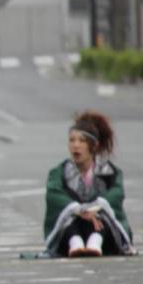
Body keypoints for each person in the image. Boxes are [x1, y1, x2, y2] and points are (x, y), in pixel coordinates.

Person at [43, 110, 135, 257]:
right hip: (72, 226)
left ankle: (95, 240)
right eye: (72, 140)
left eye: (82, 141)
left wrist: (96, 208)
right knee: (68, 217)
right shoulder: (59, 172)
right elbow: (53, 194)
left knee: (103, 216)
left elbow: (116, 193)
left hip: (102, 228)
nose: (75, 145)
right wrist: (79, 210)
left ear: (94, 146)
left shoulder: (110, 172)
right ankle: (75, 242)